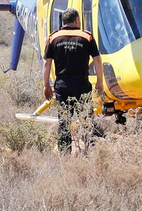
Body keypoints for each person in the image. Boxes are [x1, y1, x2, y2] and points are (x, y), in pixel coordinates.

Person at [42, 9, 106, 153]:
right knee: (86, 121)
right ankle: (90, 153)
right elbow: (97, 59)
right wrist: (100, 81)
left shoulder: (53, 38)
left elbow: (47, 63)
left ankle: (64, 155)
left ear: (63, 22)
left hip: (62, 85)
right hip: (82, 84)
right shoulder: (87, 37)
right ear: (77, 21)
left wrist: (46, 85)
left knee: (64, 122)